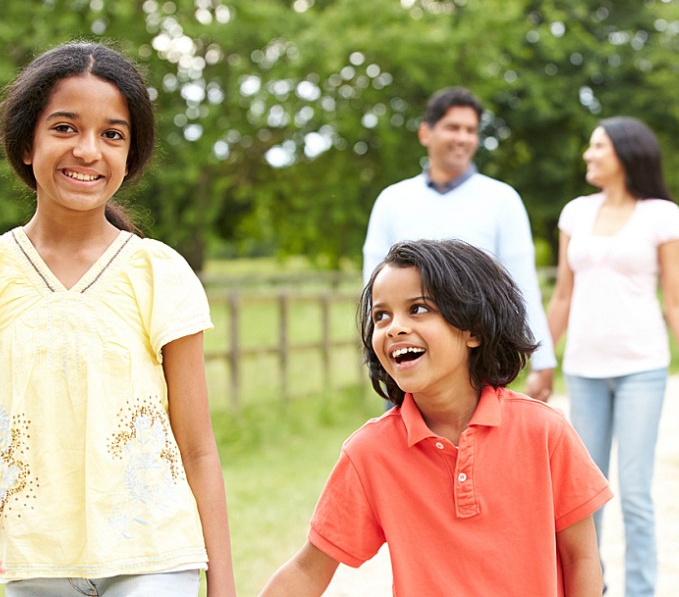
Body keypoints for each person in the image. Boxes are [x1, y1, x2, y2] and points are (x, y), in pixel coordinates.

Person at [0, 42, 235, 596]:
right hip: (30, 565)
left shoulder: (158, 271)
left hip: (156, 556)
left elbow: (198, 447)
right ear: (26, 144)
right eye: (65, 128)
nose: (88, 150)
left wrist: (224, 587)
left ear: (130, 155)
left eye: (112, 134)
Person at [260, 239, 611, 597]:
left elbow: (581, 559)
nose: (394, 327)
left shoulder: (545, 432)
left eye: (418, 309)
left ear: (473, 330)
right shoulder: (369, 454)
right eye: (381, 315)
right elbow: (307, 570)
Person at [546, 116, 679, 597]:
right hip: (584, 370)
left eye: (598, 147)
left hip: (641, 367)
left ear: (625, 154)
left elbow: (676, 299)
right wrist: (542, 361)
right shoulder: (575, 213)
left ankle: (641, 592)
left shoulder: (662, 216)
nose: (588, 155)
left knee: (634, 495)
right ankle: (591, 589)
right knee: (584, 498)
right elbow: (562, 296)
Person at [361, 87, 556, 401]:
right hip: (412, 362)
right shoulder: (392, 200)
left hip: (479, 361)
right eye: (453, 128)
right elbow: (373, 291)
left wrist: (543, 360)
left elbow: (523, 284)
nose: (463, 138)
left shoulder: (501, 199)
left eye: (471, 130)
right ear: (426, 132)